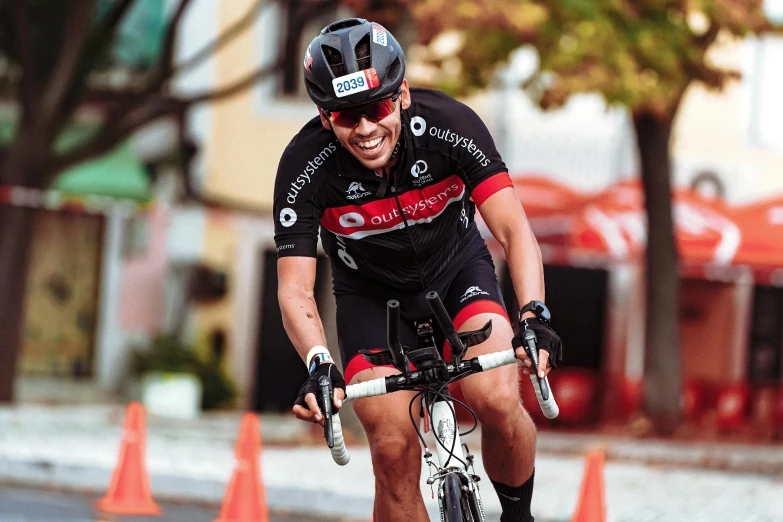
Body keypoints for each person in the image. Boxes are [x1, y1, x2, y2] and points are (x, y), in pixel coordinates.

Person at [273, 18, 563, 522]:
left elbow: (514, 230)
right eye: (345, 116)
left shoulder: (452, 125)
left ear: (402, 94)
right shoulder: (304, 165)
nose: (364, 129)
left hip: (458, 273)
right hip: (369, 298)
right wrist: (319, 361)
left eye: (377, 108)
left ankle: (519, 516)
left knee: (494, 396)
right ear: (325, 117)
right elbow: (294, 287)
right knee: (391, 448)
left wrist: (533, 314)